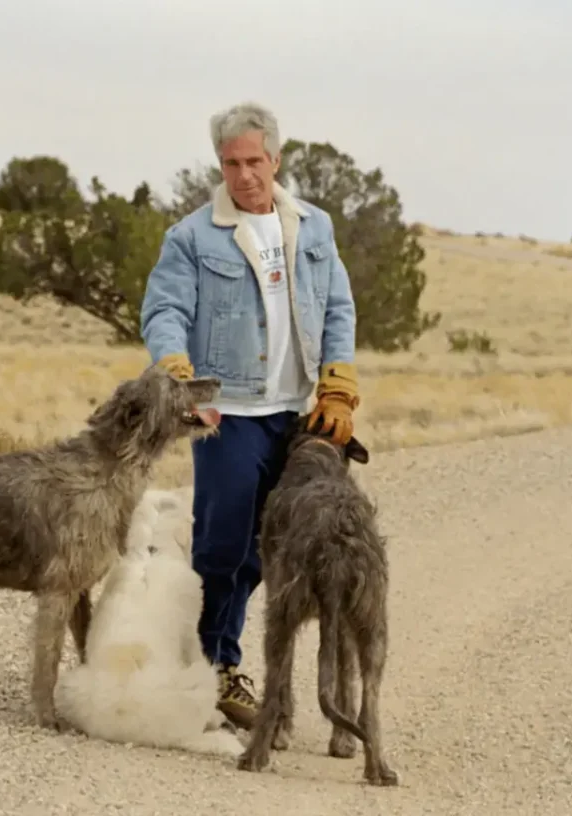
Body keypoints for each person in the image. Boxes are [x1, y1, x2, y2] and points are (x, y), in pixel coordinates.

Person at [139, 101, 360, 730]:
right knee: (222, 546)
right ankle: (213, 667)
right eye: (231, 163)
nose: (243, 175)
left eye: (254, 161)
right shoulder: (191, 236)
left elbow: (339, 308)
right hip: (225, 413)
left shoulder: (313, 227)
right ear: (220, 164)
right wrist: (175, 367)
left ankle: (217, 662)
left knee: (271, 551)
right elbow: (164, 312)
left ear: (276, 158)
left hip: (295, 416)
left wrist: (338, 384)